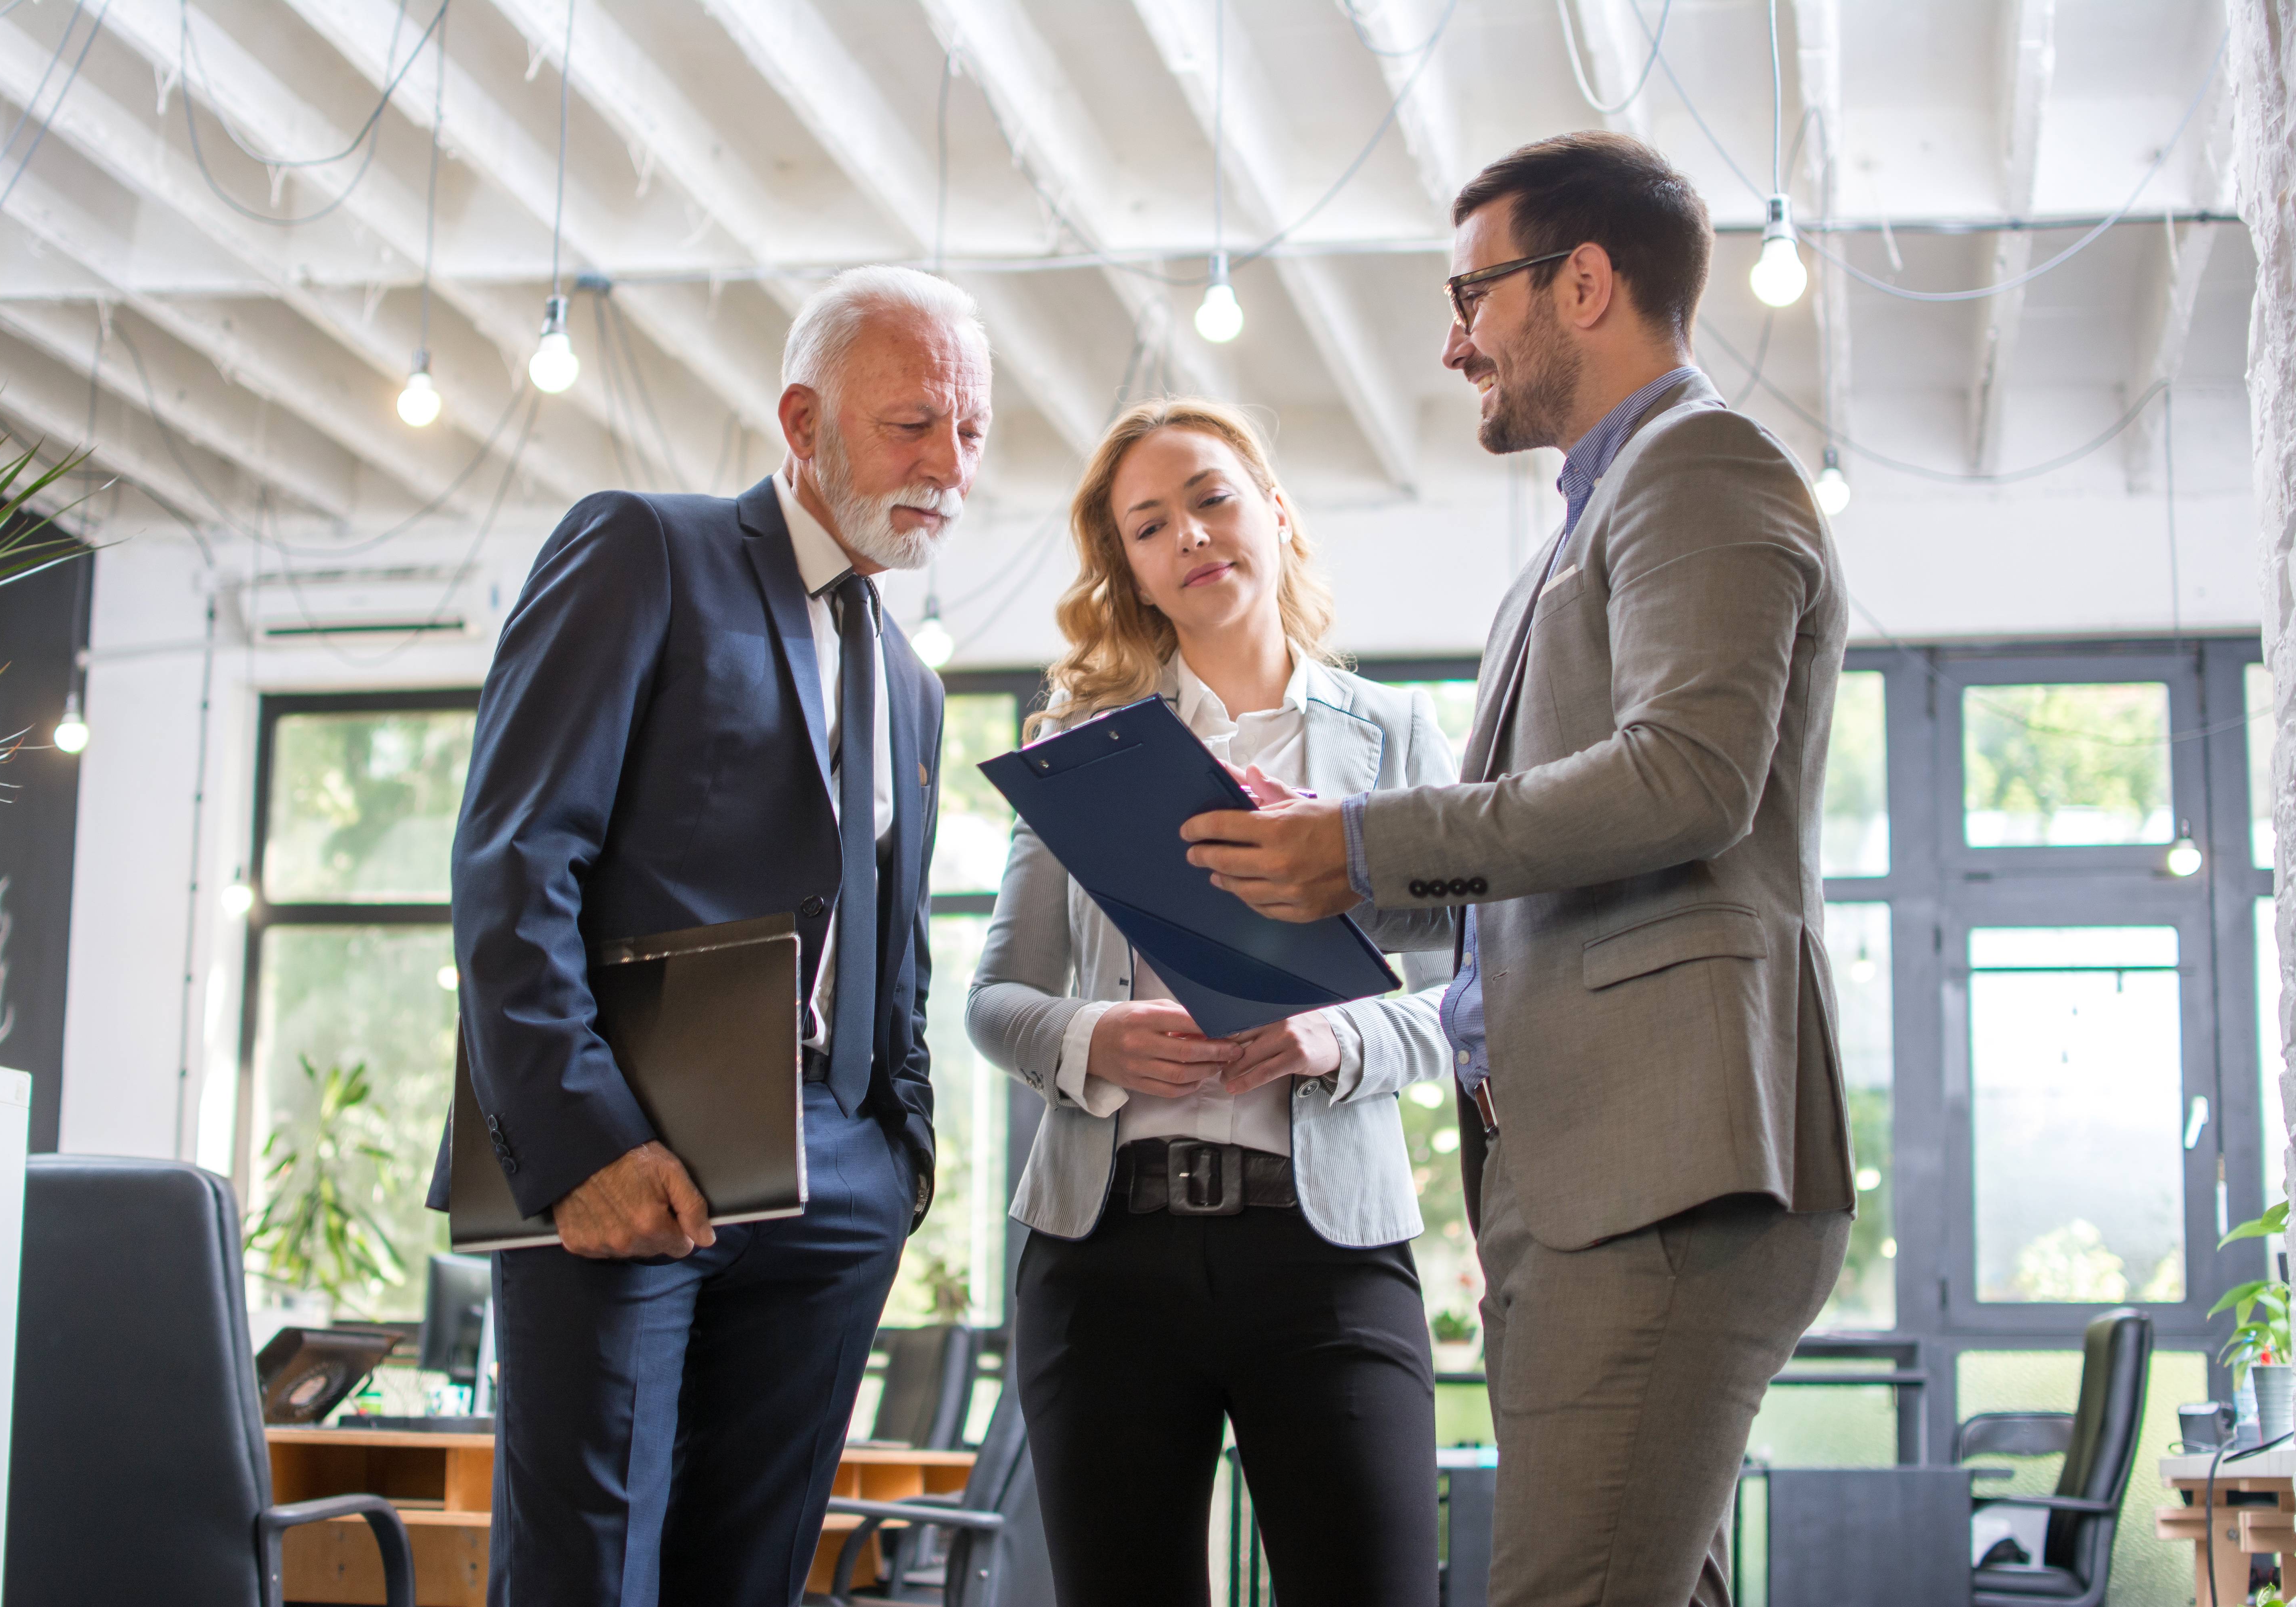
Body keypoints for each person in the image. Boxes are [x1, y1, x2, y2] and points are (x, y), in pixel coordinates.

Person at [1180, 133, 1857, 1607]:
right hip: (1584, 1171)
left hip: (1658, 1173)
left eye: (1473, 293)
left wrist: (1360, 840)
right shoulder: (1580, 534)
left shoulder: (1701, 468)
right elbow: (1529, 853)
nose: (1453, 338)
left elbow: (1685, 781)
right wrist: (1311, 864)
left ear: (1587, 282)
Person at [427, 265, 987, 1607]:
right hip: (629, 1161)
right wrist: (582, 1146)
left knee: (746, 1579)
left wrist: (897, 1158)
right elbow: (515, 861)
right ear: (802, 423)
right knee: (589, 1573)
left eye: (971, 432)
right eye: (913, 424)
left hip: (835, 1182)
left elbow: (892, 946)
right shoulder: (641, 549)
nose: (949, 467)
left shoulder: (908, 682)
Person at [966, 398, 1458, 1607]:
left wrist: (1330, 1034)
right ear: (1128, 569)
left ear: (1274, 513)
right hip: (1104, 1254)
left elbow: (1471, 990)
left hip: (1328, 1251)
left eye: (1211, 498)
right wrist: (1095, 1037)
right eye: (1149, 525)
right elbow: (993, 1000)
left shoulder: (1393, 736)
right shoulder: (1085, 747)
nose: (1189, 534)